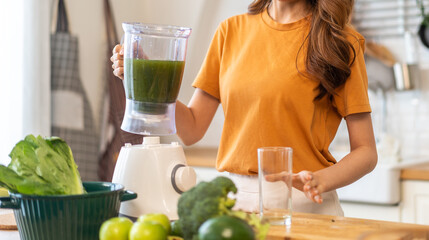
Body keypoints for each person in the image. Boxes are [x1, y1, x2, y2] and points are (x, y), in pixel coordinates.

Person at [111, 0, 377, 216]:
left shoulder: (340, 42)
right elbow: (191, 128)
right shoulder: (230, 31)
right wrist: (143, 77)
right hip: (234, 205)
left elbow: (366, 152)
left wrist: (320, 180)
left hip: (304, 205)